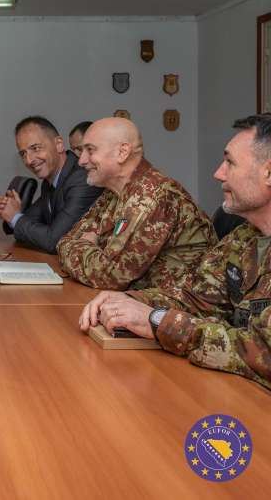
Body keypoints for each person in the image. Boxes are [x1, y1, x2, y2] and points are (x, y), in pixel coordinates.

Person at [79, 114, 271, 389]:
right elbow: (197, 299)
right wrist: (128, 300)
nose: (218, 173)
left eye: (230, 163)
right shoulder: (245, 237)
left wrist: (157, 321)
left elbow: (262, 353)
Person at [57, 117, 215, 290]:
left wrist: (83, 245)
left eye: (90, 150)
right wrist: (88, 251)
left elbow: (110, 277)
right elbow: (65, 240)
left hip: (169, 303)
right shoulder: (113, 191)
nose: (81, 160)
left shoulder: (154, 196)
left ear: (122, 152)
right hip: (132, 299)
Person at [0, 116, 102, 253]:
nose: (29, 160)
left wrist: (15, 217)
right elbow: (31, 223)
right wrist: (13, 212)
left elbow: (54, 240)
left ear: (59, 144)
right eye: (23, 154)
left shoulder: (82, 179)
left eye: (35, 148)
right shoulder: (50, 180)